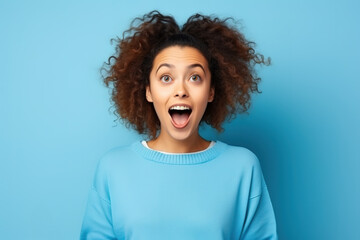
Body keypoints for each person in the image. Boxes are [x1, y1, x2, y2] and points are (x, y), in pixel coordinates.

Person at [80, 10, 277, 240]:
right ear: (148, 91)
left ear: (211, 91)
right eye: (166, 78)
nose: (181, 90)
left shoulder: (243, 167)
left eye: (195, 77)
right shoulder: (113, 168)